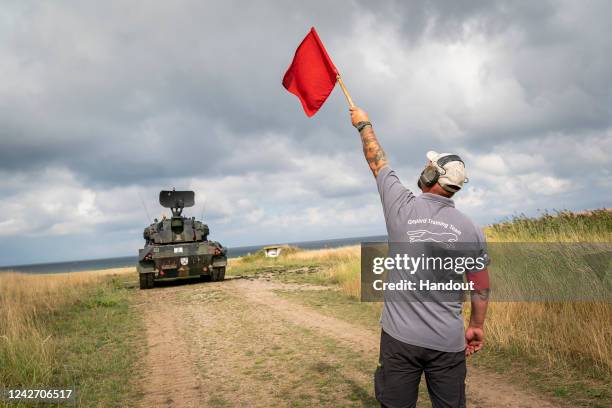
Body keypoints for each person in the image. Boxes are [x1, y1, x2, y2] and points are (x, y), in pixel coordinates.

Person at [349, 106, 490, 408]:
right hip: (448, 342)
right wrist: (477, 326)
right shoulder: (471, 229)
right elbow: (480, 286)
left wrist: (364, 125)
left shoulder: (401, 207)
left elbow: (377, 161)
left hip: (399, 339)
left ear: (430, 174)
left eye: (428, 164)